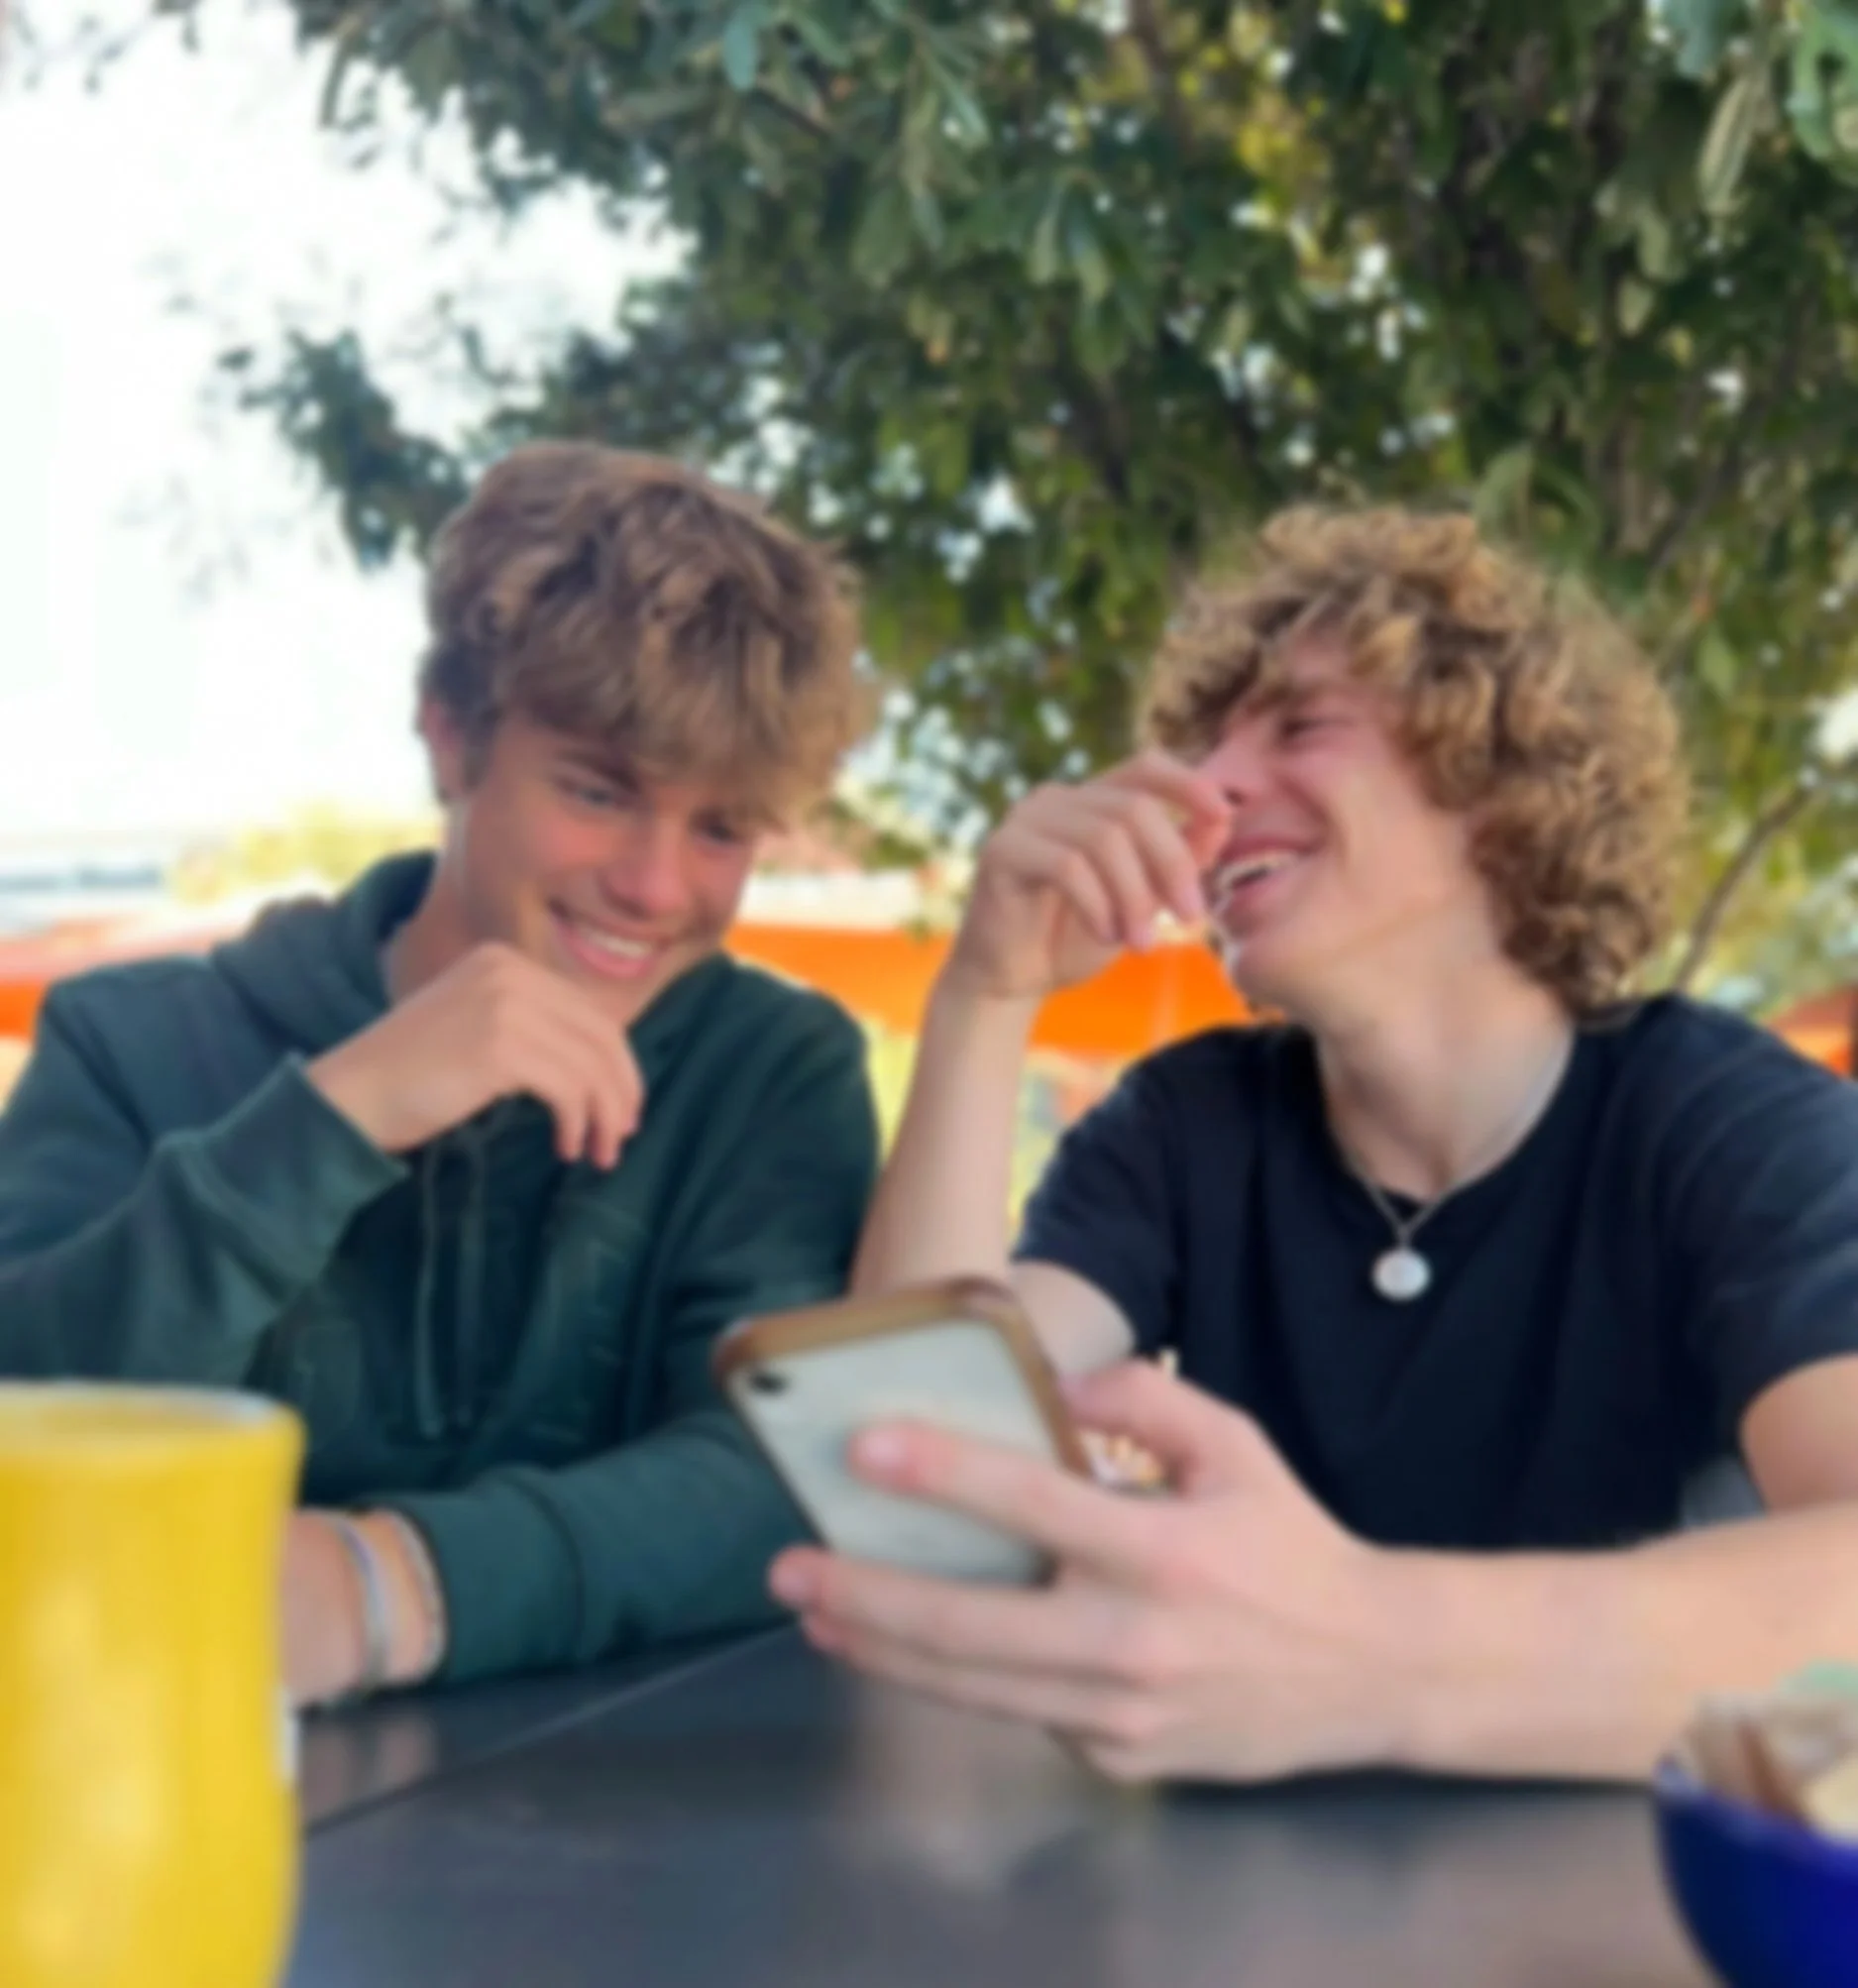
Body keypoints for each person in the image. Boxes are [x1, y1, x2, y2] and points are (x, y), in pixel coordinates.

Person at [770, 506, 1858, 1785]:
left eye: (1299, 725)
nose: (1208, 792)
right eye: (1207, 744)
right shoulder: (1187, 1123)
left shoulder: (1729, 1123)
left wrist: (1364, 1653)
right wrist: (989, 991)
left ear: (1495, 786)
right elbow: (911, 1464)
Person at [0, 443, 879, 1705]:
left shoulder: (773, 1073)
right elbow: (24, 1417)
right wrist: (336, 1117)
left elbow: (788, 1468)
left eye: (722, 827)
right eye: (597, 790)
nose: (656, 883)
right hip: (158, 1780)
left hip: (653, 1847)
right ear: (451, 739)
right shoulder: (129, 1042)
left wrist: (378, 1585)